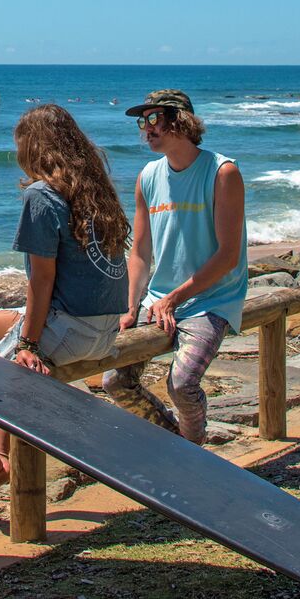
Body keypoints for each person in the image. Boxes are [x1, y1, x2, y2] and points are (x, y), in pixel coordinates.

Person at [0, 104, 132, 503]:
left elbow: (41, 280)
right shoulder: (95, 190)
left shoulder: (42, 196)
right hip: (105, 332)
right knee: (1, 353)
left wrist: (27, 344)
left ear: (32, 148)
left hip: (70, 331)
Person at [101, 90, 248, 443]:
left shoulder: (222, 172)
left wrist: (175, 299)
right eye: (143, 121)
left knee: (182, 384)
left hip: (212, 300)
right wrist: (131, 305)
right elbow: (139, 251)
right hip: (159, 300)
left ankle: (194, 456)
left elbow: (228, 256)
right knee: (116, 381)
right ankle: (177, 444)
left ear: (180, 120)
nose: (146, 129)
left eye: (154, 119)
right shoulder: (148, 177)